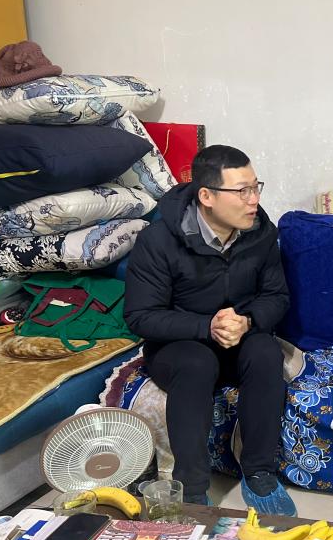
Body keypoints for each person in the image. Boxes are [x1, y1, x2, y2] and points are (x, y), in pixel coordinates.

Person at [124, 145, 295, 515]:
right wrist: (206, 326)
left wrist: (247, 321)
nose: (254, 200)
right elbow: (140, 316)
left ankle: (260, 471)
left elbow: (277, 296)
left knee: (266, 353)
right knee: (196, 363)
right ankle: (192, 488)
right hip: (180, 345)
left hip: (239, 336)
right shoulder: (159, 241)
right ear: (206, 196)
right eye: (242, 191)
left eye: (256, 187)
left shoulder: (260, 233)